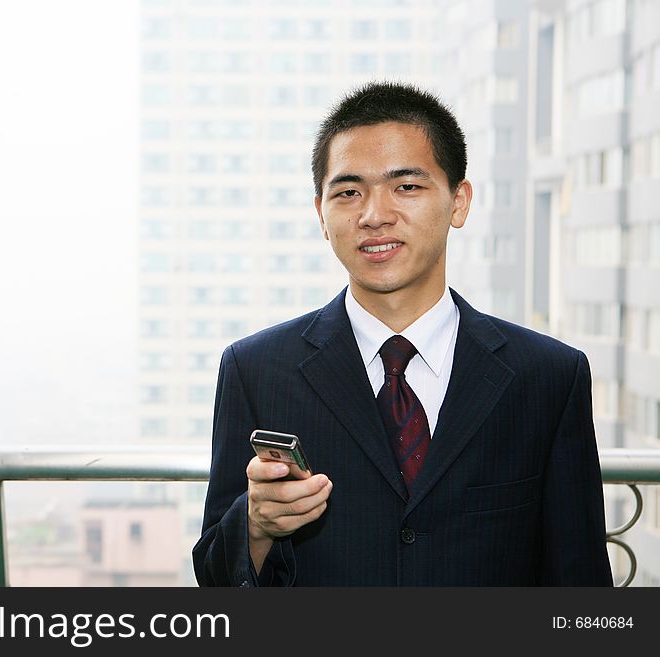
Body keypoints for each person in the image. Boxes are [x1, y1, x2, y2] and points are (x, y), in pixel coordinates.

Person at [192, 81, 613, 586]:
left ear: (459, 202)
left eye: (406, 187)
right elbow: (214, 579)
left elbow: (580, 580)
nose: (374, 215)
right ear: (321, 215)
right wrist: (256, 526)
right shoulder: (255, 369)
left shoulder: (548, 376)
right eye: (348, 192)